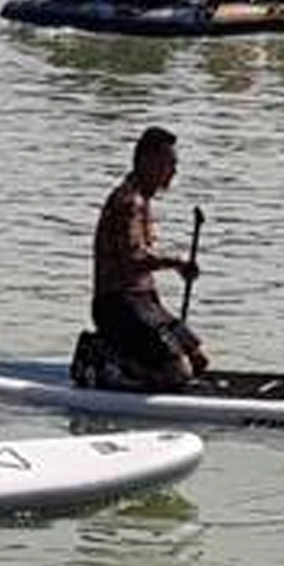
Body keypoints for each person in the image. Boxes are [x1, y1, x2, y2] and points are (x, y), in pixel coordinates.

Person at [85, 127, 207, 390]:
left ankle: (129, 360)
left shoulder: (143, 199)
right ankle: (102, 358)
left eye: (174, 164)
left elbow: (141, 272)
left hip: (143, 304)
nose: (173, 171)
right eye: (168, 164)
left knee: (198, 360)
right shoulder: (128, 202)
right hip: (116, 306)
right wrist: (177, 263)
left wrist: (158, 307)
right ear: (146, 162)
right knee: (178, 373)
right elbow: (134, 259)